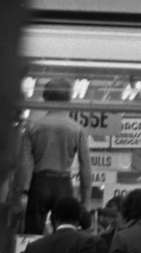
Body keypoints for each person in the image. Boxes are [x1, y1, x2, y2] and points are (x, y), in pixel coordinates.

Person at [14, 78, 94, 234]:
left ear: (45, 98)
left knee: (32, 235)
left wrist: (17, 198)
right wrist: (85, 202)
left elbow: (23, 166)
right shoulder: (78, 129)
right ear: (69, 99)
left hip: (39, 184)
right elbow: (86, 168)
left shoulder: (33, 127)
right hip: (63, 184)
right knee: (66, 233)